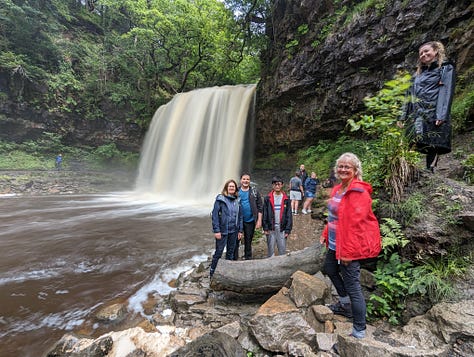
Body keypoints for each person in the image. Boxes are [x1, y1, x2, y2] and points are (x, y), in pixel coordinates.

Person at [319, 153, 381, 339]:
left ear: (355, 170)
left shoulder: (358, 192)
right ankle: (345, 305)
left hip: (348, 246)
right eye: (341, 166)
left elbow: (356, 224)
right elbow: (333, 217)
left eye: (348, 167)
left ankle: (359, 330)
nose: (343, 169)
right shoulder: (337, 189)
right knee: (329, 268)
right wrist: (324, 233)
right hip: (334, 243)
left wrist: (349, 253)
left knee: (353, 286)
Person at [400, 41, 455, 173]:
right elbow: (409, 95)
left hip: (434, 111)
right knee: (411, 141)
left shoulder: (445, 68)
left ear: (436, 51)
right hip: (417, 113)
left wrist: (442, 114)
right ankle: (406, 170)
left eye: (426, 51)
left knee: (434, 142)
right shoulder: (417, 75)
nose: (423, 55)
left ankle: (430, 170)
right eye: (421, 53)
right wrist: (402, 116)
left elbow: (446, 91)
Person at [210, 179, 243, 278]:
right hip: (222, 231)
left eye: (233, 187)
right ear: (226, 188)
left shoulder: (237, 200)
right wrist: (217, 230)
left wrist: (240, 230)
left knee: (230, 252)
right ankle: (212, 272)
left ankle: (228, 273)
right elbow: (214, 215)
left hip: (234, 231)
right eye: (230, 186)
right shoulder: (220, 199)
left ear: (235, 189)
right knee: (219, 252)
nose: (232, 188)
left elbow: (240, 216)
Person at [233, 173, 263, 260]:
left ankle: (248, 257)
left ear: (250, 181)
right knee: (235, 240)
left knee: (248, 240)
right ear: (240, 180)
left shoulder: (254, 191)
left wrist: (259, 220)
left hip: (250, 220)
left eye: (247, 179)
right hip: (237, 221)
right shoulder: (236, 191)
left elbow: (260, 206)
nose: (245, 181)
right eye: (244, 179)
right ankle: (234, 258)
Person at [263, 176, 292, 257]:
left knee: (282, 250)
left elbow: (289, 215)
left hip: (282, 227)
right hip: (270, 227)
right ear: (273, 185)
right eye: (275, 184)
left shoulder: (286, 199)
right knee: (270, 250)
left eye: (279, 184)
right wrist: (265, 228)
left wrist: (288, 229)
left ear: (282, 185)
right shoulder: (267, 198)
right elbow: (265, 213)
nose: (277, 186)